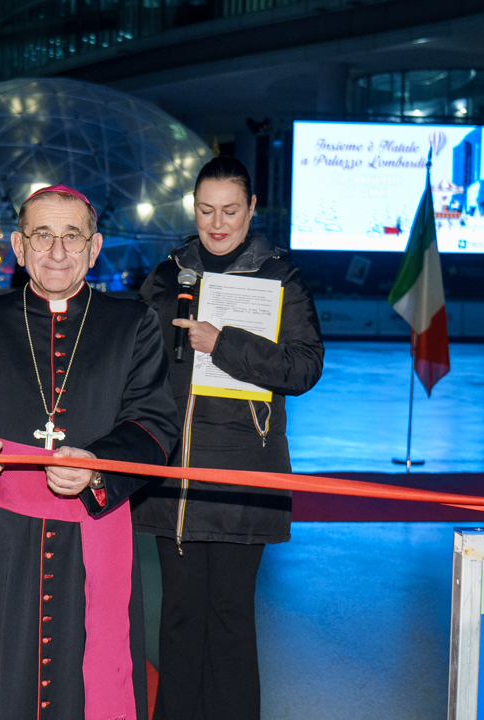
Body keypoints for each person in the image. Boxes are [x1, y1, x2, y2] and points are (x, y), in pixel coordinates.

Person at [0, 185, 180, 720]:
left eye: (73, 237)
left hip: (90, 531)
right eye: (42, 236)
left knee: (82, 678)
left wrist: (97, 468)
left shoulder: (132, 323)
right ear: (20, 249)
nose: (58, 252)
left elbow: (156, 424)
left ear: (94, 249)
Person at [135, 156, 324, 720]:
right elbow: (138, 363)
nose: (217, 223)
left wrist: (223, 344)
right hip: (176, 474)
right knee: (179, 617)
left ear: (252, 210)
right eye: (205, 210)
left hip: (244, 473)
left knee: (231, 617)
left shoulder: (280, 277)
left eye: (231, 211)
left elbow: (305, 367)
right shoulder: (168, 275)